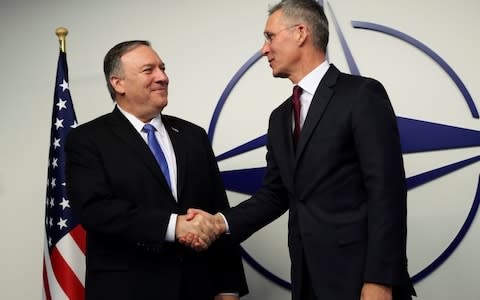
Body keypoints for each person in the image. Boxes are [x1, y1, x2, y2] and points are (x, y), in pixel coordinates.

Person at [182, 0, 416, 299]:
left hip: (360, 280)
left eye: (270, 37)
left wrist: (380, 280)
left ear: (301, 32)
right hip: (307, 280)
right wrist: (218, 222)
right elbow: (275, 194)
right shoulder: (280, 118)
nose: (263, 49)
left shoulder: (360, 95)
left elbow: (387, 192)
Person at [65, 40, 248, 300]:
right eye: (148, 70)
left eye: (162, 68)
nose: (163, 77)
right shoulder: (87, 139)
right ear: (118, 83)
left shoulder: (193, 136)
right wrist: (174, 226)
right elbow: (95, 210)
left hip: (197, 288)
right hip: (128, 290)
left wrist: (229, 286)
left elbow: (218, 208)